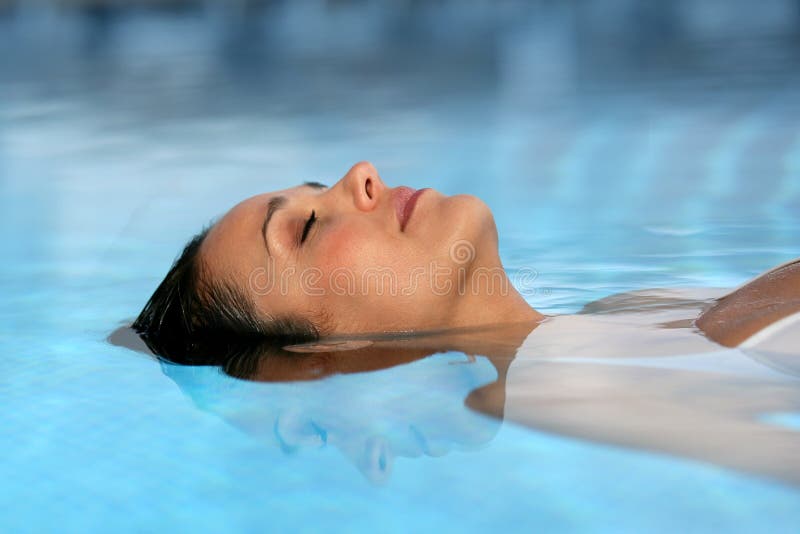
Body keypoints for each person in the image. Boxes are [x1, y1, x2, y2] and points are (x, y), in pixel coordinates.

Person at [132, 161, 800, 365]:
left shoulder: (630, 310)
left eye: (319, 186)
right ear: (318, 352)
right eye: (304, 228)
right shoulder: (573, 388)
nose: (360, 175)